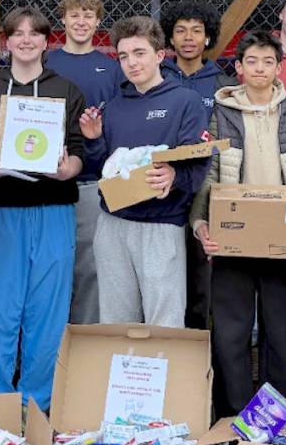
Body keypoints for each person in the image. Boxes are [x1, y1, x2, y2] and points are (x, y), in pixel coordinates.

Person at [190, 31, 286, 436]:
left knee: (282, 333)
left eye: (268, 62)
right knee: (231, 334)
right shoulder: (221, 113)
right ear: (239, 68)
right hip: (233, 240)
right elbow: (207, 174)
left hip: (283, 241)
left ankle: (279, 418)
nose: (260, 69)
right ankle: (233, 420)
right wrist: (201, 225)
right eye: (251, 61)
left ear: (278, 67)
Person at [0, 6, 86, 411]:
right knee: (0, 309)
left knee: (47, 311)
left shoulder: (66, 90)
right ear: (7, 41)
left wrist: (66, 168)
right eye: (17, 33)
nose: (25, 40)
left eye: (34, 33)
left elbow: (79, 152)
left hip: (53, 209)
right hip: (2, 211)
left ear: (46, 41)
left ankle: (37, 403)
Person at [80, 16, 209, 328]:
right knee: (115, 320)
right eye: (123, 56)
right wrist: (94, 139)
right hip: (113, 225)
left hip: (160, 225)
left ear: (160, 55)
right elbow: (101, 169)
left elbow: (199, 162)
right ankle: (119, 378)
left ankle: (164, 378)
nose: (131, 63)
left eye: (139, 53)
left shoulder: (185, 102)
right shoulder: (112, 107)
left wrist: (174, 178)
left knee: (163, 321)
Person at [44, 0, 120, 325]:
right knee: (51, 267)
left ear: (98, 21)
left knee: (90, 267)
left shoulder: (112, 69)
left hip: (92, 180)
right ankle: (52, 343)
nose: (81, 21)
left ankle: (84, 340)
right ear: (63, 18)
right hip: (46, 180)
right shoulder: (47, 63)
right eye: (74, 14)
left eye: (88, 15)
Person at [159, 0, 234, 329]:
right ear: (170, 39)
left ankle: (201, 361)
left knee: (203, 285)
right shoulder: (157, 77)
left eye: (196, 31)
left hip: (206, 193)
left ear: (208, 38)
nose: (188, 37)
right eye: (180, 31)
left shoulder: (222, 84)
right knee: (164, 279)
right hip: (163, 189)